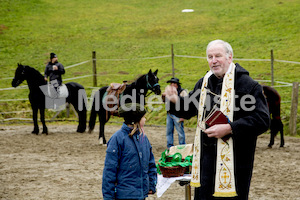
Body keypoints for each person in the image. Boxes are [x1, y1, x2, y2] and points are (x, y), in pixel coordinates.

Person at [164, 40, 270, 200]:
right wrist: (173, 101)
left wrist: (230, 128)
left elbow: (262, 120)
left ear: (229, 57)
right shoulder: (205, 83)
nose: (213, 60)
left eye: (218, 56)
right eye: (210, 56)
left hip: (235, 164)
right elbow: (188, 110)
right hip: (205, 164)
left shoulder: (248, 85)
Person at [102, 103, 157, 200]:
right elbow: (109, 170)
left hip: (141, 195)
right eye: (143, 117)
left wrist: (151, 185)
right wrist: (108, 197)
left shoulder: (143, 138)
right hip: (124, 195)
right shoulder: (117, 139)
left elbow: (151, 163)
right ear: (135, 120)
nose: (145, 119)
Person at [165, 77, 188, 148]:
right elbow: (165, 101)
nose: (172, 85)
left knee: (180, 132)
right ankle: (170, 146)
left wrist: (183, 116)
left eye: (174, 83)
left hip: (178, 115)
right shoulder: (169, 92)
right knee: (169, 131)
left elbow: (186, 104)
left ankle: (182, 146)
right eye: (171, 83)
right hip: (169, 114)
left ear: (177, 85)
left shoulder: (182, 92)